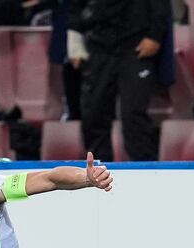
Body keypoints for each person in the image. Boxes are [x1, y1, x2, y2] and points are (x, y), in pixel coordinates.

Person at [69, 0, 171, 161]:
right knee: (94, 110)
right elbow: (75, 6)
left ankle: (144, 168)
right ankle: (97, 169)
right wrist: (74, 38)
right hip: (97, 44)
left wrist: (155, 35)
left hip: (136, 46)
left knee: (133, 112)